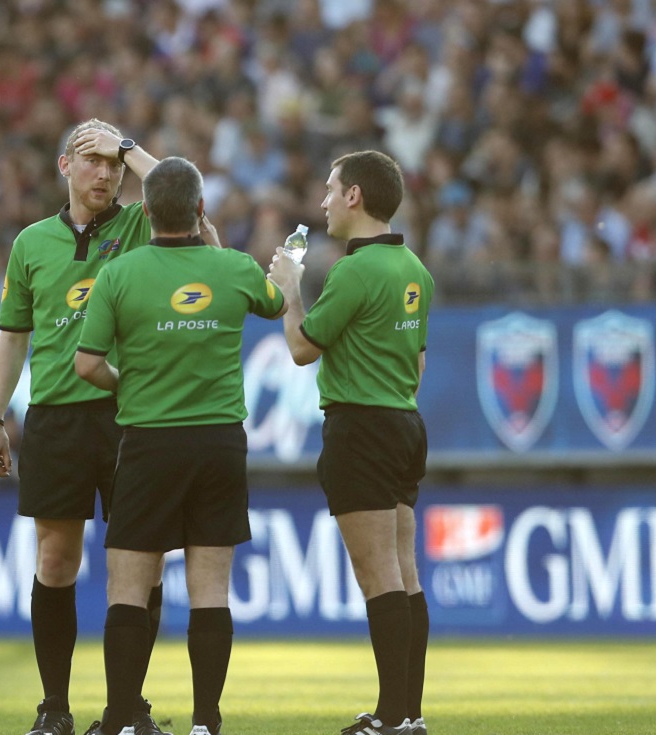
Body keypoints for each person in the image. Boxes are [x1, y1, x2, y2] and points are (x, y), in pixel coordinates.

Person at [74, 157, 287, 735]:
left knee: (128, 587)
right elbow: (276, 303)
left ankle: (120, 720)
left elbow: (87, 364)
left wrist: (128, 384)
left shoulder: (119, 273)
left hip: (148, 443)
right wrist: (216, 248)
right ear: (200, 209)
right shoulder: (234, 267)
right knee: (210, 589)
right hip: (219, 444)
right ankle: (205, 722)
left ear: (144, 211)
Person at [0, 118, 165, 735]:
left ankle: (128, 708)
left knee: (139, 565)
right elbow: (12, 337)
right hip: (56, 417)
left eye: (114, 165)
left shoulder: (140, 224)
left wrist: (128, 146)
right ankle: (54, 708)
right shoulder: (31, 242)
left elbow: (181, 194)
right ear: (65, 166)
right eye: (93, 160)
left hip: (131, 414)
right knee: (55, 559)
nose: (106, 173)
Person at [267, 150, 433, 735]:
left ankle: (390, 717)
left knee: (378, 576)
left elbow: (301, 348)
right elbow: (416, 366)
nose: (324, 202)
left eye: (331, 190)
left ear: (355, 196)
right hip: (405, 424)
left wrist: (289, 288)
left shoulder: (353, 271)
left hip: (360, 429)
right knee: (406, 573)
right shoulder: (415, 270)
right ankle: (408, 714)